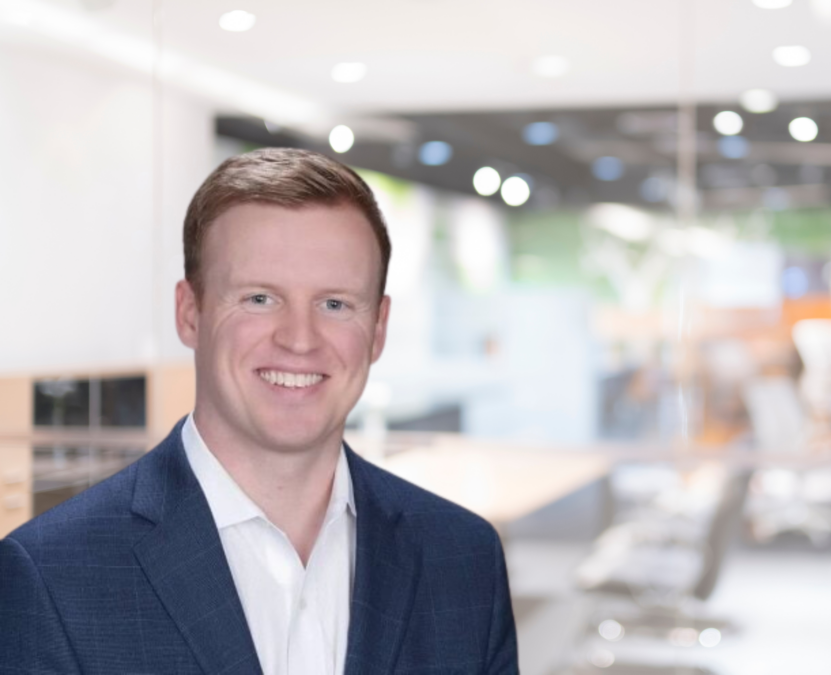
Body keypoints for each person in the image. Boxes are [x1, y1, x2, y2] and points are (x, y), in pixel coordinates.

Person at [0, 148, 518, 674]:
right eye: (259, 299)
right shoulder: (53, 577)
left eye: (334, 304)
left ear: (379, 328)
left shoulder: (463, 559)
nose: (299, 340)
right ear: (189, 313)